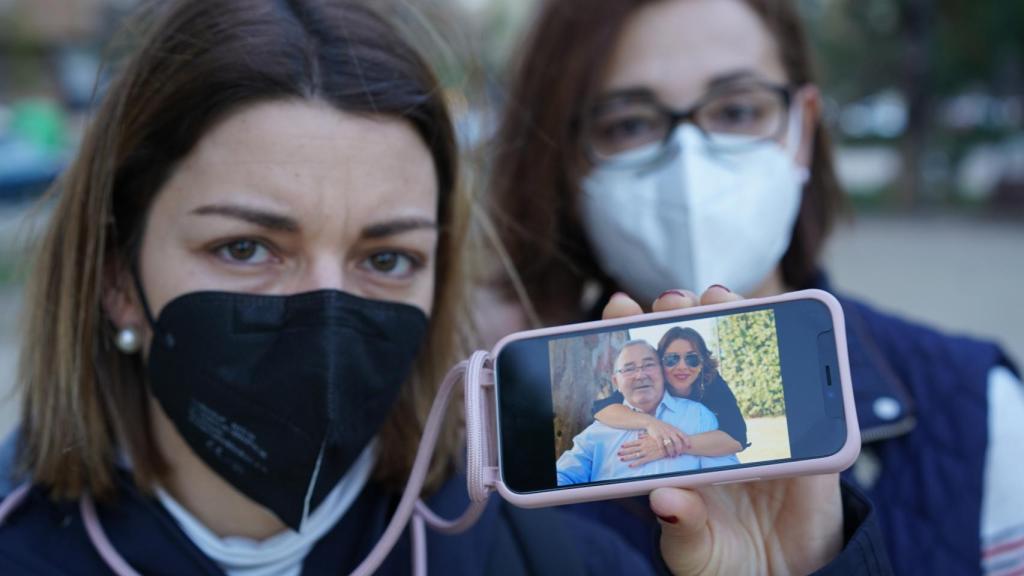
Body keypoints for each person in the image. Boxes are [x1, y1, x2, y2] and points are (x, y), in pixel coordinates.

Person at [0, 1, 660, 574]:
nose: (327, 310)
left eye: (387, 258)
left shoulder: (549, 555)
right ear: (118, 276)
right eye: (246, 248)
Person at [488, 0, 1024, 574]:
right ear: (565, 161)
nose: (689, 163)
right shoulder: (488, 464)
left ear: (802, 128)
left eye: (738, 110)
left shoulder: (980, 414)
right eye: (629, 124)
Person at [556, 339, 737, 485]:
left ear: (663, 372)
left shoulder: (698, 416)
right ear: (616, 381)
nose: (640, 375)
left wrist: (674, 445)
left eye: (648, 365)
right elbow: (563, 476)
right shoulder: (598, 431)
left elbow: (724, 480)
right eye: (629, 369)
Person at [594, 326, 747, 467]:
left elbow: (737, 438)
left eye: (692, 359)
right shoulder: (650, 385)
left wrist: (669, 446)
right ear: (659, 364)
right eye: (672, 359)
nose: (682, 366)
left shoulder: (711, 382)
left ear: (702, 364)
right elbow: (601, 408)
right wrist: (651, 423)